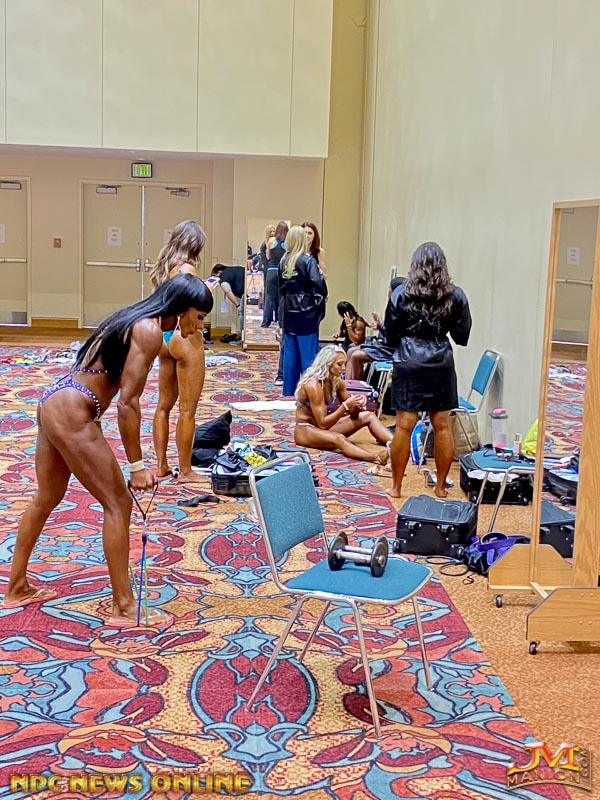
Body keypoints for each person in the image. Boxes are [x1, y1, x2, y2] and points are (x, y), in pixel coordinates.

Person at [2, 274, 213, 625]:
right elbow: (128, 404)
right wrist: (137, 467)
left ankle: (17, 587)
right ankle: (124, 607)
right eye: (199, 316)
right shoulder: (148, 329)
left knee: (48, 496)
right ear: (182, 308)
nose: (199, 325)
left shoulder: (134, 318)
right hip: (74, 410)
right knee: (118, 502)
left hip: (57, 400)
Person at [384, 242, 471, 499]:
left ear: (415, 265)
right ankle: (441, 486)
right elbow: (462, 336)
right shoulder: (456, 295)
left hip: (408, 362)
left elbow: (390, 335)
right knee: (442, 425)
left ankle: (396, 487)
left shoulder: (401, 293)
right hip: (440, 363)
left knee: (404, 425)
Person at [150, 221, 212, 483]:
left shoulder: (164, 268)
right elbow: (192, 307)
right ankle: (185, 471)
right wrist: (208, 288)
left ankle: (161, 465)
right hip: (184, 337)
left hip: (164, 338)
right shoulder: (187, 269)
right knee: (187, 410)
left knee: (163, 406)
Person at [294, 345, 392, 463]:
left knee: (368, 416)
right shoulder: (313, 385)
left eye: (344, 364)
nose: (344, 368)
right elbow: (322, 424)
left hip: (324, 426)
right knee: (339, 438)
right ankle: (376, 457)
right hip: (306, 429)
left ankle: (396, 445)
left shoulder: (336, 381)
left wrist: (358, 404)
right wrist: (345, 406)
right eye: (339, 364)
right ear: (327, 364)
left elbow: (353, 414)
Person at [279, 226, 328, 396]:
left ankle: (288, 393)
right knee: (309, 358)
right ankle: (309, 395)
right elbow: (319, 286)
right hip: (307, 313)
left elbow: (282, 288)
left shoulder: (283, 261)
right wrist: (318, 307)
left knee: (290, 356)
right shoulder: (308, 261)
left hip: (289, 311)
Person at [346, 277, 404, 380]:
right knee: (350, 351)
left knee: (355, 356)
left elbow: (392, 336)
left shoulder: (400, 309)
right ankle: (348, 384)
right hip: (385, 345)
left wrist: (380, 324)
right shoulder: (393, 306)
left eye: (389, 288)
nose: (388, 291)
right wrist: (380, 325)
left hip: (392, 349)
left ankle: (357, 386)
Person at [262, 221, 288, 327]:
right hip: (282, 271)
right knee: (282, 297)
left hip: (271, 270)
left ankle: (266, 322)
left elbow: (268, 256)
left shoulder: (271, 240)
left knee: (269, 297)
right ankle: (281, 322)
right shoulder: (287, 242)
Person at [211, 263, 246, 342]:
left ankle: (243, 339)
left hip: (244, 294)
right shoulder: (236, 269)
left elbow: (227, 291)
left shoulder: (222, 277)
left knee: (242, 314)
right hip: (253, 290)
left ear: (218, 272)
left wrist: (238, 305)